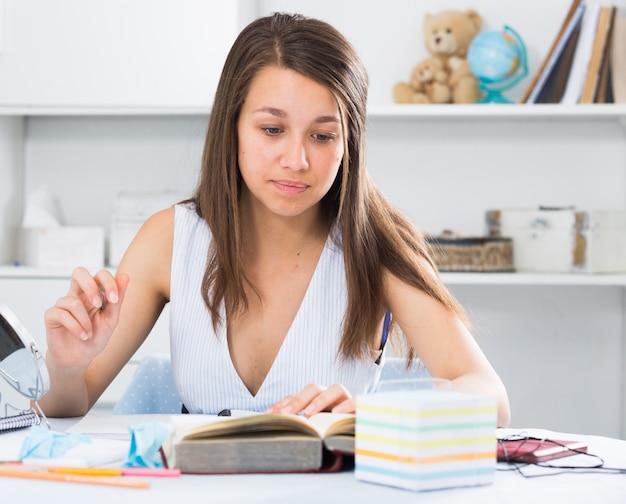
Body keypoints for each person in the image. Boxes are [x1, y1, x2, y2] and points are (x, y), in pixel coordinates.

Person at [39, 12, 510, 426]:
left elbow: (490, 397)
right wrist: (67, 366)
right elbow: (69, 405)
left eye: (323, 136)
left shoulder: (378, 245)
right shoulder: (170, 238)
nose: (296, 159)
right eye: (272, 129)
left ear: (350, 144)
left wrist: (375, 415)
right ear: (233, 124)